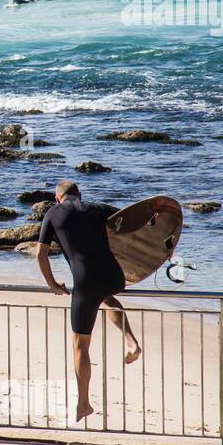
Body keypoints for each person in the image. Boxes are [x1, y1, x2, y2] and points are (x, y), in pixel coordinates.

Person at [34, 180, 139, 422]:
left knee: (80, 345)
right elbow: (134, 222)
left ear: (57, 197)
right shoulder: (99, 208)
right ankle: (131, 341)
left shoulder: (52, 213)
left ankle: (83, 403)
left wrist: (52, 283)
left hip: (85, 283)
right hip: (115, 276)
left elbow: (41, 253)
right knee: (107, 297)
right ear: (79, 195)